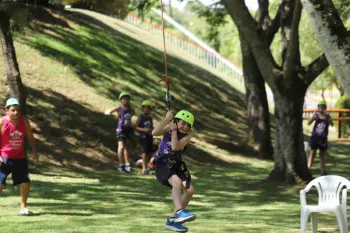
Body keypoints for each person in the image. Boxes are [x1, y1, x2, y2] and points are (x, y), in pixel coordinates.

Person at [152, 110, 196, 232]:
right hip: (163, 164)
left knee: (189, 191)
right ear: (176, 121)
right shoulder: (168, 128)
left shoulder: (187, 136)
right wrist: (167, 120)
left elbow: (176, 147)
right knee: (176, 182)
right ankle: (180, 211)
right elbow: (154, 132)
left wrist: (175, 130)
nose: (185, 127)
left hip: (176, 165)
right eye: (183, 123)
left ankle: (172, 220)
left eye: (188, 125)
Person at [0, 98, 38, 215]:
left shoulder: (24, 121)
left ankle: (23, 207)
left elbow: (30, 137)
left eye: (17, 110)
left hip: (19, 157)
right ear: (6, 110)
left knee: (25, 181)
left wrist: (34, 153)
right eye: (13, 110)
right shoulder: (2, 122)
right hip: (5, 157)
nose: (15, 112)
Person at [105, 92, 135, 173]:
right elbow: (107, 112)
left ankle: (127, 164)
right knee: (121, 146)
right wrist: (116, 118)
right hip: (120, 129)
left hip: (128, 130)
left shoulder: (130, 108)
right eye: (124, 99)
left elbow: (133, 113)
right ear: (121, 100)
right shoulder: (119, 107)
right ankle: (121, 165)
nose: (125, 100)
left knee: (127, 147)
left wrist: (129, 122)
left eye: (127, 99)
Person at [307, 100, 334, 176]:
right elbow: (308, 123)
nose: (321, 109)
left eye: (322, 107)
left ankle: (323, 171)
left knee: (322, 155)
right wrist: (313, 114)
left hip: (323, 138)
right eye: (319, 107)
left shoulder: (328, 116)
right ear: (318, 108)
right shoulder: (316, 115)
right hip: (315, 137)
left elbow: (332, 125)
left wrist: (328, 118)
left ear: (325, 108)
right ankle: (308, 168)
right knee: (312, 153)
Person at [135, 100, 154, 175]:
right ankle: (144, 168)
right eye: (145, 108)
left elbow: (151, 127)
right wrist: (144, 130)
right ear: (143, 108)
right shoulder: (140, 117)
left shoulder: (150, 118)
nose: (146, 109)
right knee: (144, 152)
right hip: (143, 136)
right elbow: (136, 126)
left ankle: (146, 167)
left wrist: (151, 131)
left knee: (149, 152)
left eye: (148, 108)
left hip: (149, 136)